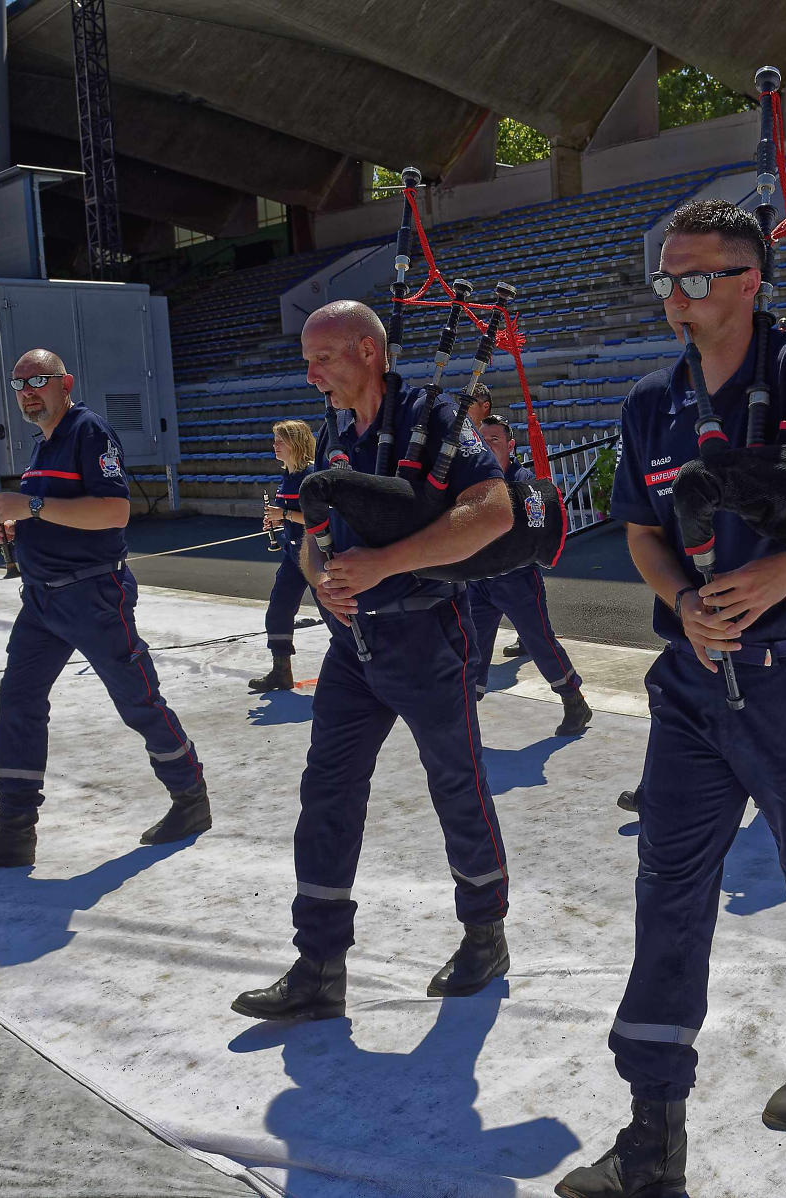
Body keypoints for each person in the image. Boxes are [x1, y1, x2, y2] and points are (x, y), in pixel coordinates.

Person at [556, 199, 786, 1198]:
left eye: (697, 276)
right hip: (689, 686)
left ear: (748, 281)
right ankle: (651, 1140)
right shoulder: (652, 401)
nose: (677, 294)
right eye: (667, 277)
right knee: (666, 893)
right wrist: (682, 599)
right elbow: (640, 527)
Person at [231, 300, 516, 1021]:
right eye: (307, 359)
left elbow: (495, 510)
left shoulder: (433, 421)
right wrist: (322, 579)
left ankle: (485, 934)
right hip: (352, 648)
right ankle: (318, 966)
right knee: (326, 792)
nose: (310, 372)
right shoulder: (332, 433)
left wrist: (387, 563)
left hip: (426, 635)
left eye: (322, 357)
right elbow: (313, 534)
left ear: (367, 350)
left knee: (457, 785)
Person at [0, 350, 210, 872]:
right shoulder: (42, 446)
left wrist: (32, 505)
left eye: (39, 380)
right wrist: (10, 526)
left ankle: (189, 798)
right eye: (19, 383)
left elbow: (114, 511)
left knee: (137, 700)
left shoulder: (89, 432)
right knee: (17, 703)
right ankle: (15, 831)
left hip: (92, 595)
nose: (28, 390)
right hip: (42, 599)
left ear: (65, 382)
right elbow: (52, 514)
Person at [467, 415, 593, 736]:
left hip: (517, 579)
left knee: (540, 643)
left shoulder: (525, 482)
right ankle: (464, 712)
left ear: (510, 446)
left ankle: (573, 699)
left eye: (494, 440)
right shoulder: (471, 478)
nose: (486, 446)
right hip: (480, 578)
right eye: (482, 440)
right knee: (470, 646)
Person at [249, 419, 316, 692]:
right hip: (292, 554)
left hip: (315, 554)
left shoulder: (310, 476)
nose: (274, 445)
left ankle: (359, 668)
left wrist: (284, 515)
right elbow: (289, 516)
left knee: (335, 612)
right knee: (278, 609)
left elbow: (319, 517)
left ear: (296, 444)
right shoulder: (287, 476)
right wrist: (277, 522)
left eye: (280, 440)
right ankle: (281, 670)